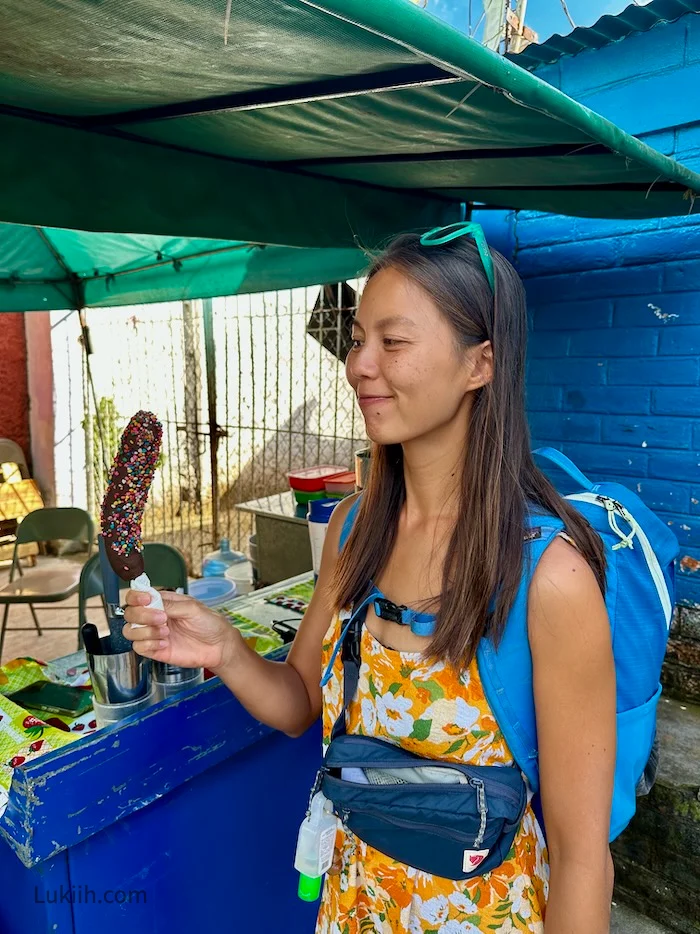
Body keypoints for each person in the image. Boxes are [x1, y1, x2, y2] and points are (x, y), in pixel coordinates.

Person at [124, 224, 616, 934]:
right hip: (357, 904)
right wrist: (224, 648)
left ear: (481, 364)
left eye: (394, 341)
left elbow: (579, 858)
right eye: (359, 339)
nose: (359, 364)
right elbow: (299, 704)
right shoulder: (354, 528)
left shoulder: (549, 578)